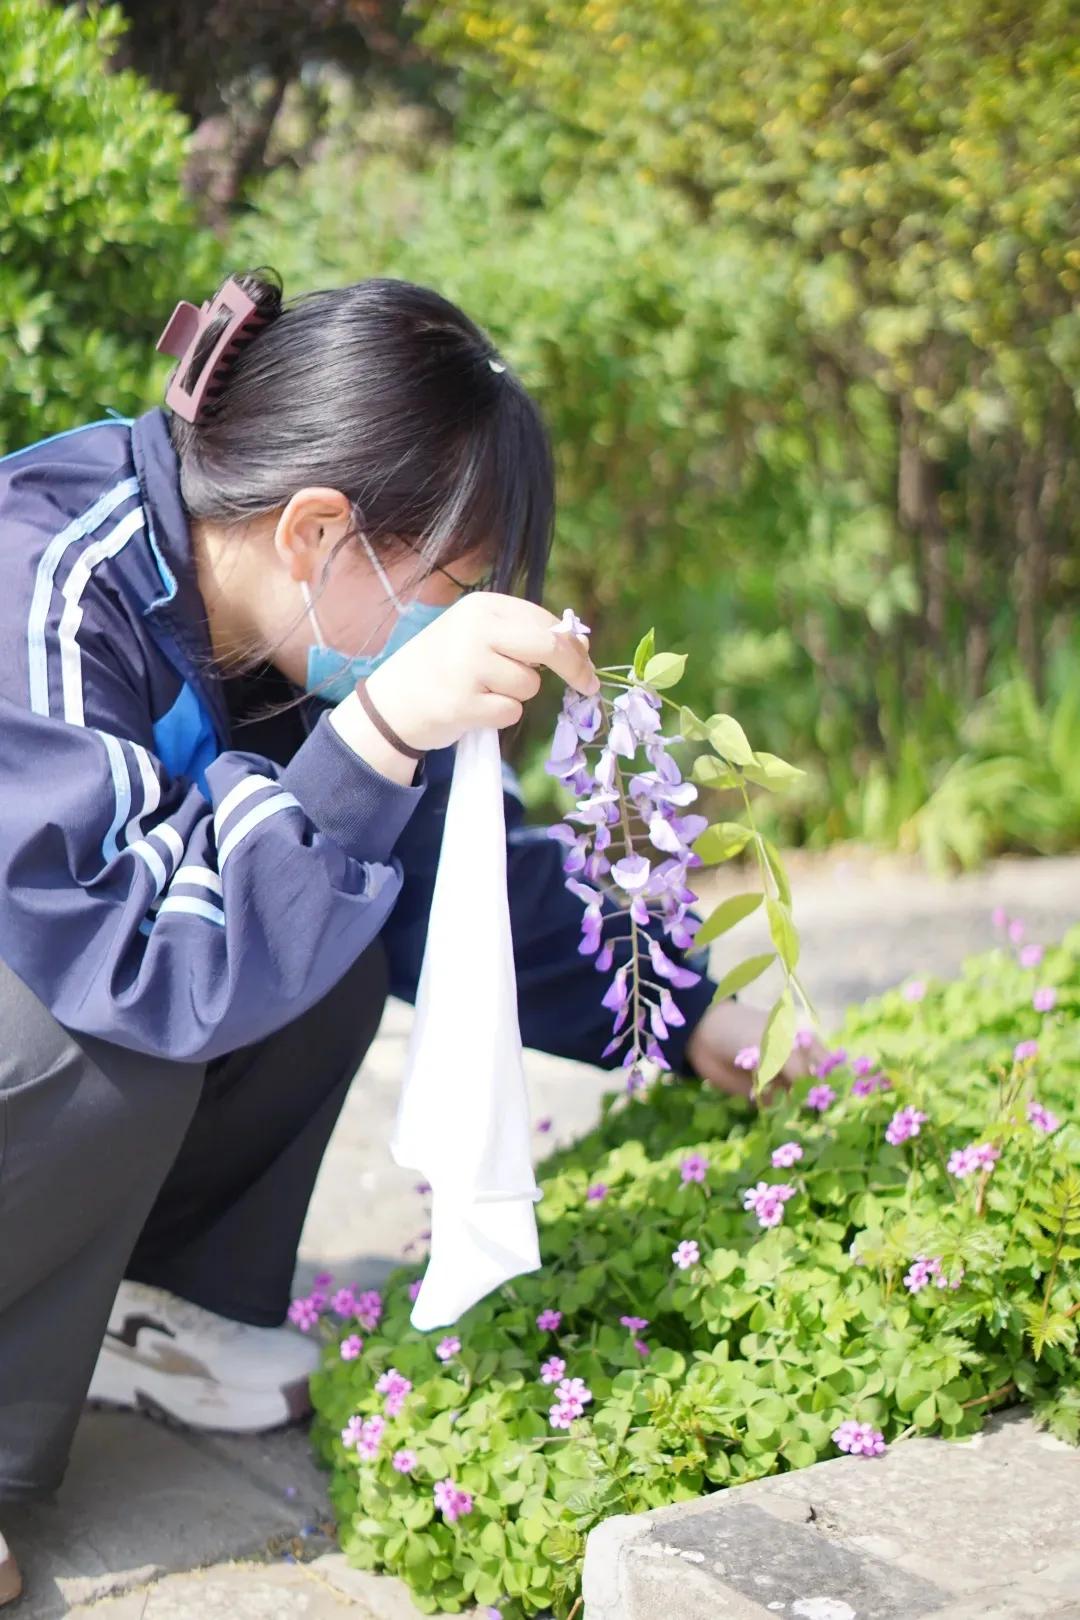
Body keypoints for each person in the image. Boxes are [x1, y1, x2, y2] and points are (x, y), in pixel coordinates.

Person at [0, 269, 822, 1606]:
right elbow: (124, 957)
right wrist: (377, 734)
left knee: (332, 906)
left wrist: (688, 1012)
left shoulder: (267, 612)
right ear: (320, 530)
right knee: (107, 1026)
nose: (457, 618)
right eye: (450, 582)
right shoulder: (46, 576)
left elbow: (450, 871)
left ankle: (153, 1304)